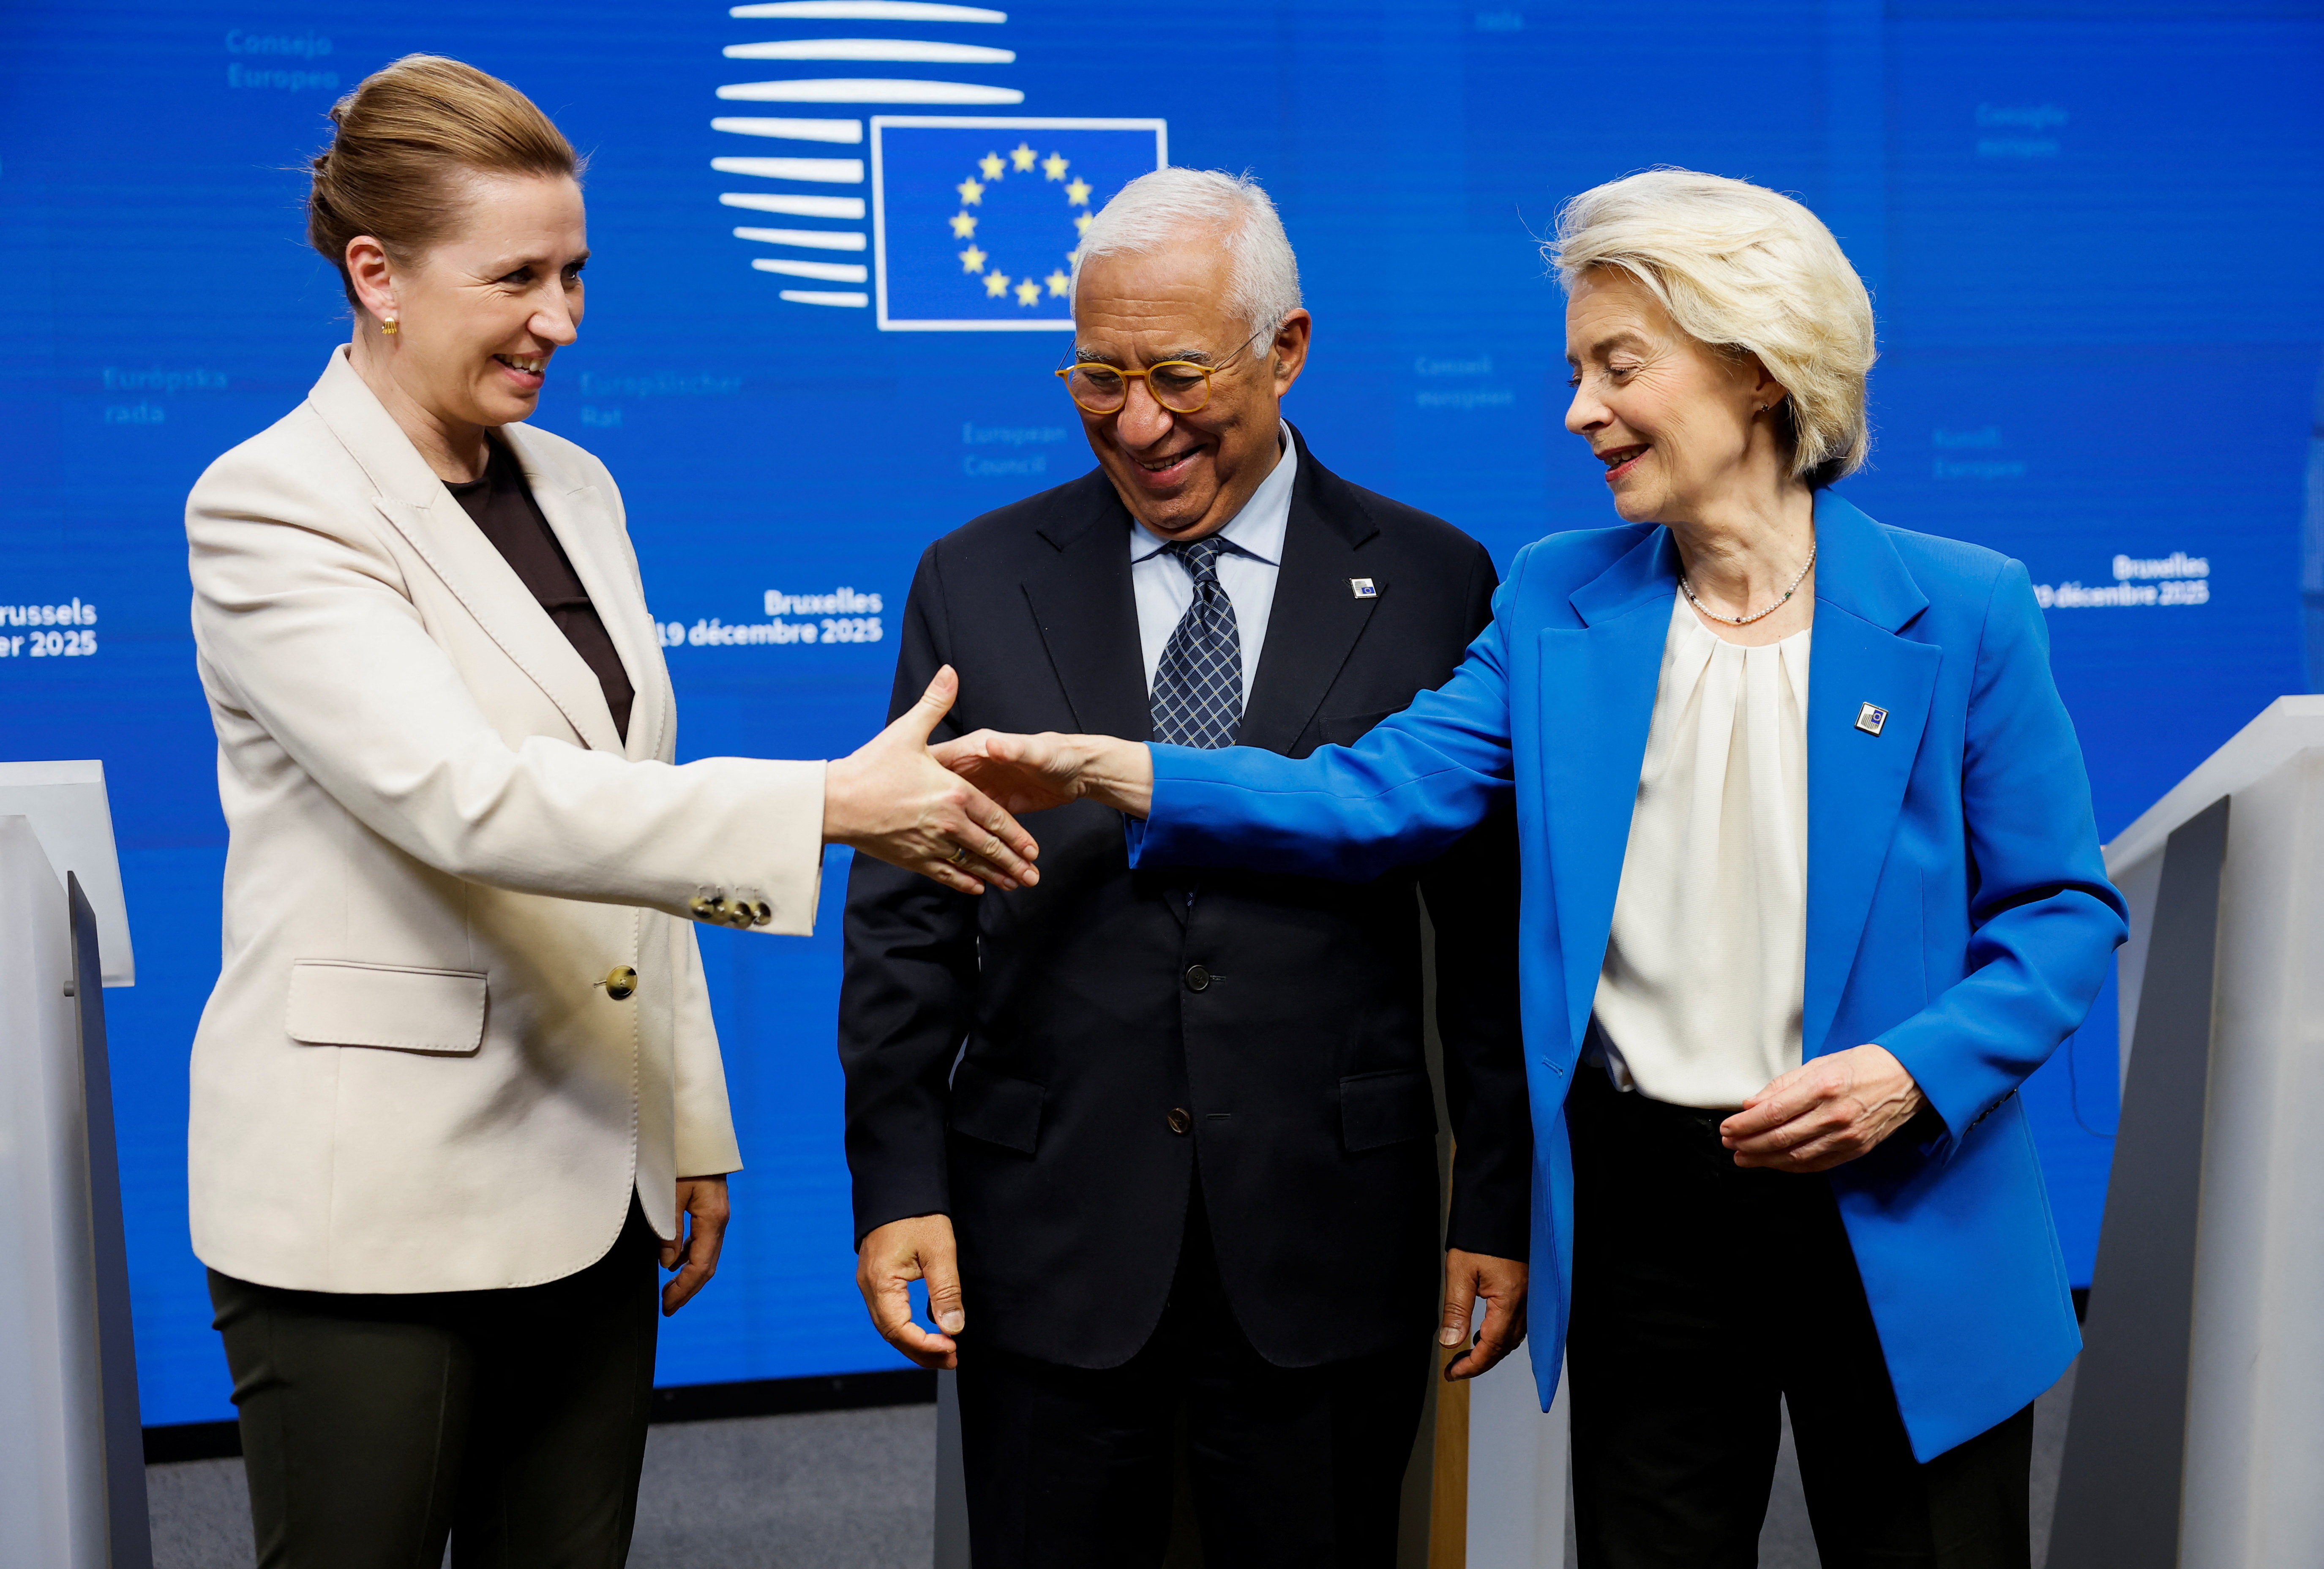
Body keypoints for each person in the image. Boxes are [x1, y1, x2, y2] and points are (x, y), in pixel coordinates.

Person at [936, 169, 2130, 1568]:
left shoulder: (1965, 608)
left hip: (1898, 1199)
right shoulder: (1558, 598)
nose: (1579, 411)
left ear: (1754, 373)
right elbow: (1371, 794)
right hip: (1650, 1224)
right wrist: (1115, 766)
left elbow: (2060, 911)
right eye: (1575, 370)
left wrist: (1909, 1070)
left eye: (1618, 367)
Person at [184, 55, 1034, 1568]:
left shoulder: (574, 482)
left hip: (592, 1180)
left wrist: (682, 1118)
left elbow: (625, 812)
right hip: (368, 1211)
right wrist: (831, 802)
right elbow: (465, 798)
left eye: (575, 273)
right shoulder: (270, 502)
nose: (561, 322)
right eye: (516, 277)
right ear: (375, 274)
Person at [838, 168, 1532, 1566]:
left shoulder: (1433, 579)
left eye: (1174, 372)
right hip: (1049, 1231)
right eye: (1097, 375)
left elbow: (1488, 933)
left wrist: (1495, 1204)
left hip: (1328, 1234)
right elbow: (906, 920)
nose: (1137, 423)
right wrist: (900, 1181)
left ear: (1285, 351)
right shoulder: (974, 575)